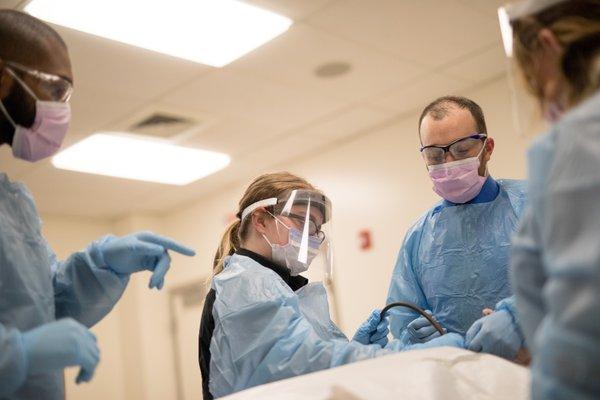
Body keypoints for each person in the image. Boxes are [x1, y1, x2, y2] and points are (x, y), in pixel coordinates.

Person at [0, 10, 195, 399]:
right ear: (4, 79)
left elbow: (40, 306)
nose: (62, 108)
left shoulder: (13, 203)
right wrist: (15, 353)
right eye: (56, 89)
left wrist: (101, 266)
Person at [198, 172, 463, 399]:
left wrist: (360, 347)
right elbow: (307, 362)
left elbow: (306, 363)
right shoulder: (245, 284)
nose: (313, 235)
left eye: (316, 227)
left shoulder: (280, 285)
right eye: (303, 220)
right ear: (260, 220)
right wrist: (404, 356)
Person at [501, 0, 600, 398]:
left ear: (546, 45)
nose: (544, 100)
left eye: (537, 83)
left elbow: (585, 325)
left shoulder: (581, 139)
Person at [385, 96, 528, 360]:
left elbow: (582, 278)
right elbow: (402, 322)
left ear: (488, 148)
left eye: (462, 150)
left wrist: (520, 317)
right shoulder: (418, 238)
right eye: (435, 155)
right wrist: (412, 338)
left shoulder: (534, 205)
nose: (449, 163)